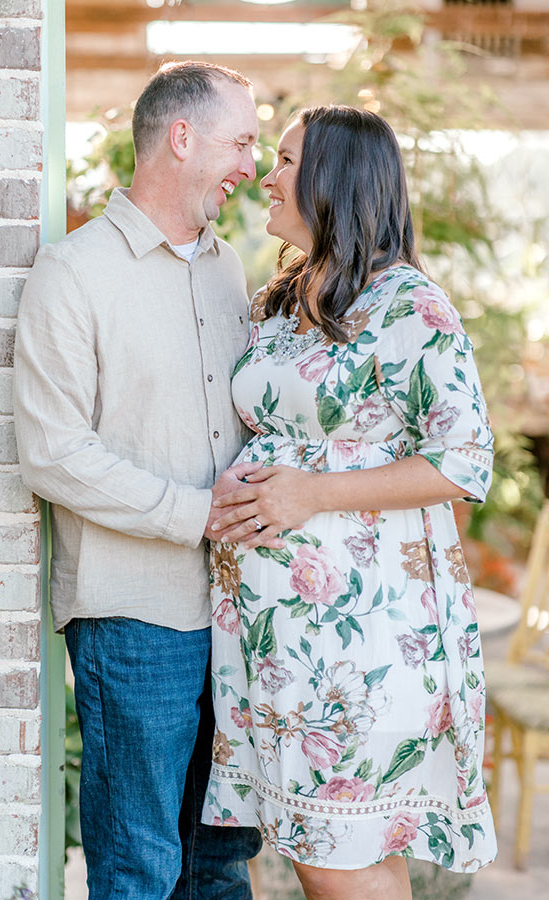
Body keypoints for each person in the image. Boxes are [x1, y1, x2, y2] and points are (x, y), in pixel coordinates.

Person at [201, 106, 498, 900]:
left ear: (335, 179)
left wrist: (312, 492)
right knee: (344, 852)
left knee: (333, 860)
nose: (266, 174)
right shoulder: (281, 300)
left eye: (287, 160)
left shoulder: (409, 307)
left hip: (360, 639)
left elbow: (465, 459)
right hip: (273, 639)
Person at [14, 62, 266, 900]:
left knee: (222, 866)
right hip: (134, 619)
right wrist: (195, 514)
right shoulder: (74, 273)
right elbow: (53, 451)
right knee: (139, 867)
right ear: (180, 137)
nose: (252, 165)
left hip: (236, 614)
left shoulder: (230, 270)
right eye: (241, 141)